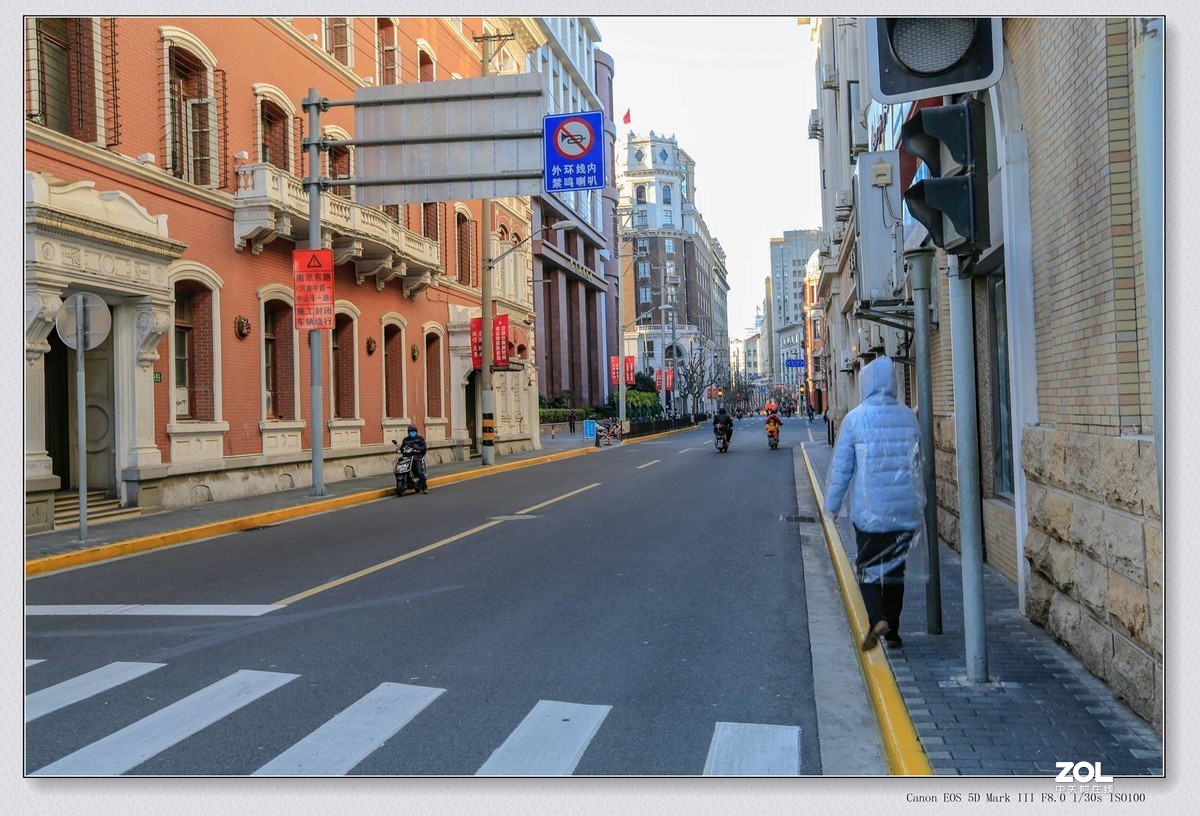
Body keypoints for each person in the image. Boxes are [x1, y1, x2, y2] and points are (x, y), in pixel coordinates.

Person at [823, 356, 924, 651]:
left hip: (871, 512)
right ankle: (893, 631)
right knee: (895, 572)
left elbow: (842, 469)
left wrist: (832, 506)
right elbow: (918, 463)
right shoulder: (908, 417)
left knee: (868, 568)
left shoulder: (855, 419)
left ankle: (878, 618)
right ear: (893, 383)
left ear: (865, 383)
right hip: (905, 512)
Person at [400, 424, 429, 494]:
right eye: (411, 431)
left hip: (417, 458)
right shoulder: (405, 440)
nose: (412, 433)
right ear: (408, 432)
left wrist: (417, 448)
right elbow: (402, 448)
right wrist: (401, 450)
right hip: (408, 458)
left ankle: (424, 488)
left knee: (419, 472)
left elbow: (424, 448)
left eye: (413, 431)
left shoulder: (420, 439)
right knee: (402, 469)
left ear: (416, 432)